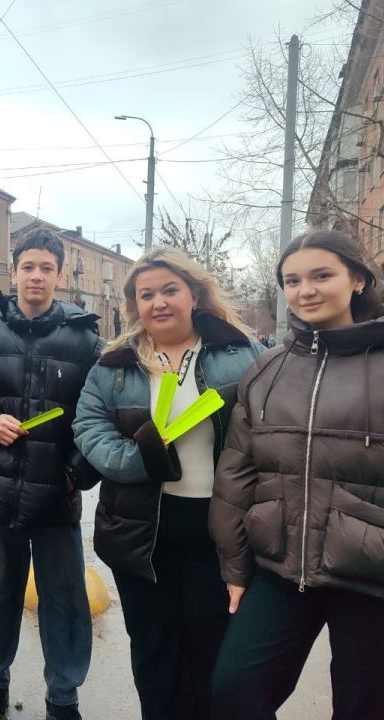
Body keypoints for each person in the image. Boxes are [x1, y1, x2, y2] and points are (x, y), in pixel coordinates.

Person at [209, 229, 384, 720]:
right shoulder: (269, 369)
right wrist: (235, 565)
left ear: (358, 279)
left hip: (379, 578)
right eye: (292, 280)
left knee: (372, 709)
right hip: (283, 571)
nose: (306, 290)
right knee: (233, 692)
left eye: (322, 275)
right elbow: (237, 470)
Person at [72, 247, 261, 720]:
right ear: (135, 304)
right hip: (140, 528)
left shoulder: (243, 354)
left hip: (218, 526)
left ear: (193, 294)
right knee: (154, 650)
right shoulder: (113, 365)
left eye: (169, 290)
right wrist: (143, 461)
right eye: (146, 294)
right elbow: (88, 429)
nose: (158, 302)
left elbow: (271, 431)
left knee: (214, 647)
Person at [0, 230, 103, 720]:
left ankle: (63, 697)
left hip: (56, 499)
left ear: (59, 275)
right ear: (13, 271)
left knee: (64, 601)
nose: (37, 276)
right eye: (28, 266)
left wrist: (76, 475)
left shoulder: (86, 342)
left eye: (47, 267)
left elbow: (98, 417)